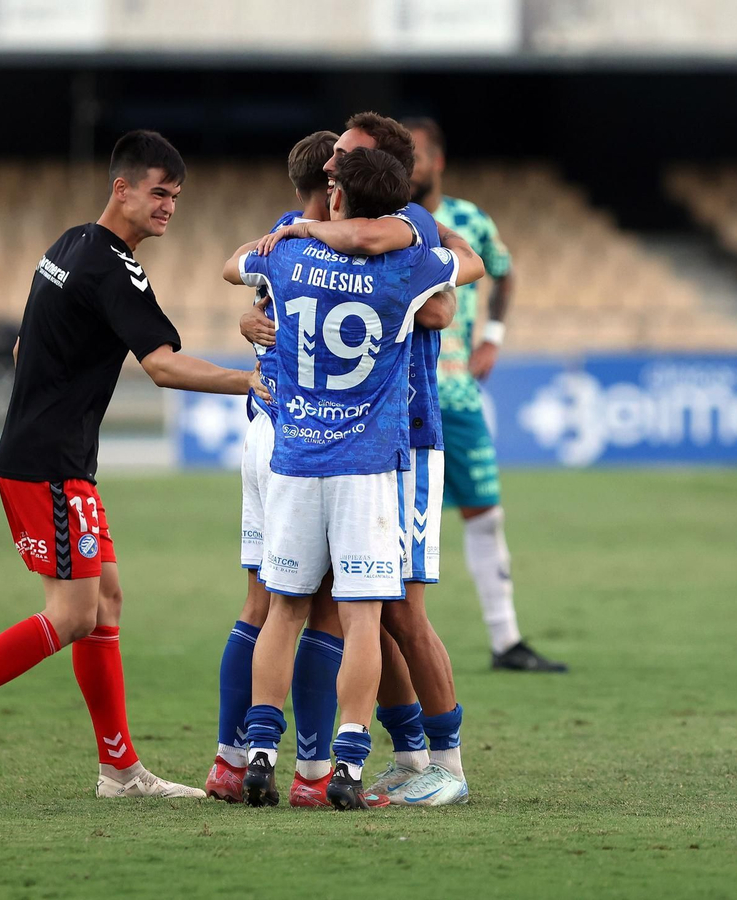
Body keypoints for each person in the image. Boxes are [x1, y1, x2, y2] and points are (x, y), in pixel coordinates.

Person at [0, 130, 264, 801]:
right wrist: (249, 382)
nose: (168, 207)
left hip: (48, 457)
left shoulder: (68, 245)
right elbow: (162, 366)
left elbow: (20, 347)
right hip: (50, 466)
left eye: (175, 196)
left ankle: (119, 771)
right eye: (158, 192)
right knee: (70, 614)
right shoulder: (111, 267)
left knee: (106, 599)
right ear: (121, 188)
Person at [225, 146, 483, 810]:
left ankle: (257, 753)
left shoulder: (285, 251)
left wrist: (294, 241)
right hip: (367, 464)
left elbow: (235, 266)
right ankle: (348, 765)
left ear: (337, 194)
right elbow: (461, 284)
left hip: (296, 454)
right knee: (363, 616)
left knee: (285, 607)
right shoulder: (407, 265)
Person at [207, 129, 352, 808]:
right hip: (314, 443)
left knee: (259, 604)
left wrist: (248, 315)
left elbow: (233, 267)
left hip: (261, 433)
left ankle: (231, 762)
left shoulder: (278, 240)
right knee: (320, 610)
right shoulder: (347, 244)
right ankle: (313, 774)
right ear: (333, 182)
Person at [403, 117, 568, 673]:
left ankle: (506, 641)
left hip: (458, 392)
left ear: (438, 160)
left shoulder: (470, 219)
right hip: (400, 394)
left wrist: (492, 338)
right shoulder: (386, 221)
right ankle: (382, 638)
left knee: (485, 515)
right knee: (391, 522)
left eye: (417, 155)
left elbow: (504, 270)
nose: (410, 165)